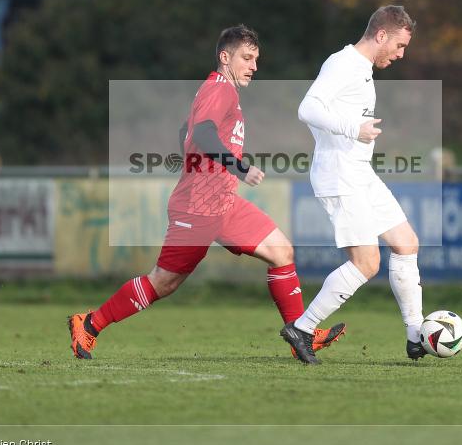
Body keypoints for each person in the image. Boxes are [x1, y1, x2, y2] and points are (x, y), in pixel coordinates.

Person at [69, 25, 345, 360]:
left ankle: (300, 334)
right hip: (196, 208)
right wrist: (238, 168)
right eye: (247, 57)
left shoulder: (219, 91)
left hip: (223, 204)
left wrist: (200, 166)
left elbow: (186, 130)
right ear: (224, 57)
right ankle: (89, 324)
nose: (254, 66)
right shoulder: (220, 90)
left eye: (256, 59)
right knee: (163, 283)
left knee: (281, 252)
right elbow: (200, 132)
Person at [280, 6, 426, 364]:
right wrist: (353, 129)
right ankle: (302, 328)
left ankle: (417, 335)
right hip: (339, 174)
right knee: (366, 263)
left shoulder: (362, 70)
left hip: (359, 171)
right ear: (381, 35)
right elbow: (307, 108)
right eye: (400, 45)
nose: (401, 54)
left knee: (406, 243)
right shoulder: (343, 64)